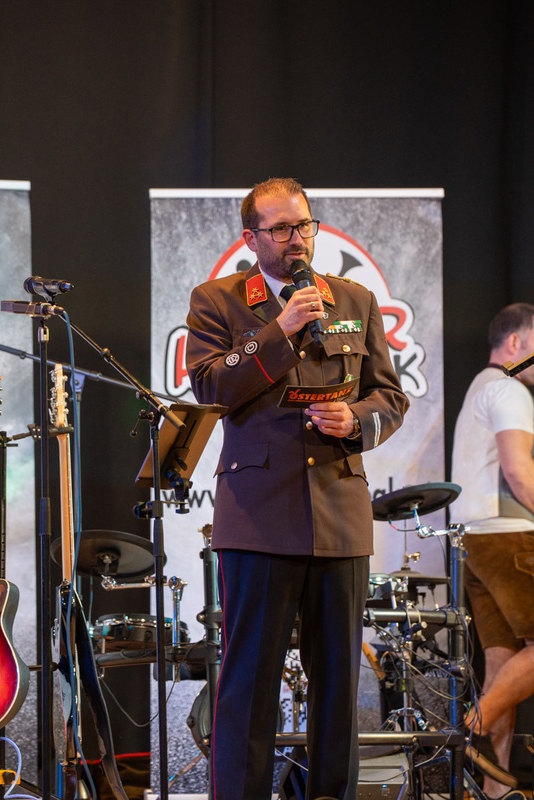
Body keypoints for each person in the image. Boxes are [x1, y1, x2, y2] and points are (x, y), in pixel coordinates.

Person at [185, 177, 409, 800]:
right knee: (249, 685)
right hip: (259, 515)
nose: (296, 239)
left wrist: (355, 420)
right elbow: (210, 388)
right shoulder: (218, 300)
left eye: (303, 225)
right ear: (251, 238)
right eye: (280, 228)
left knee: (338, 685)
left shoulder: (354, 299)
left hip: (340, 512)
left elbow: (390, 397)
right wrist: (280, 329)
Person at [450, 302, 534, 798]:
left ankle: (494, 789)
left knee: (502, 667)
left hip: (478, 541)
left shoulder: (481, 387)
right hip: (510, 536)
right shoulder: (507, 389)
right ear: (516, 343)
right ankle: (469, 729)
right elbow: (518, 469)